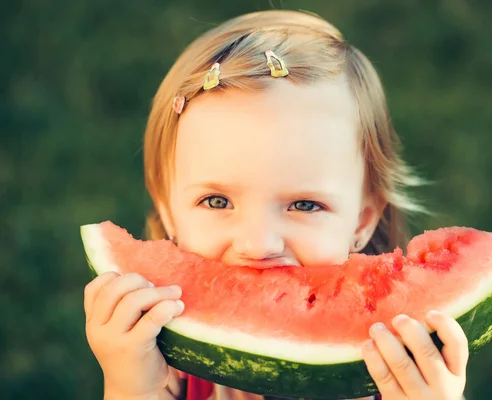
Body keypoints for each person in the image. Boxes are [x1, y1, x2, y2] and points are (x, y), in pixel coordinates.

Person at [83, 10, 469, 400]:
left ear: (362, 221)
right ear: (169, 214)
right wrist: (130, 387)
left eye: (303, 205)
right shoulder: (170, 373)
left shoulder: (391, 371)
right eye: (216, 201)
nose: (258, 245)